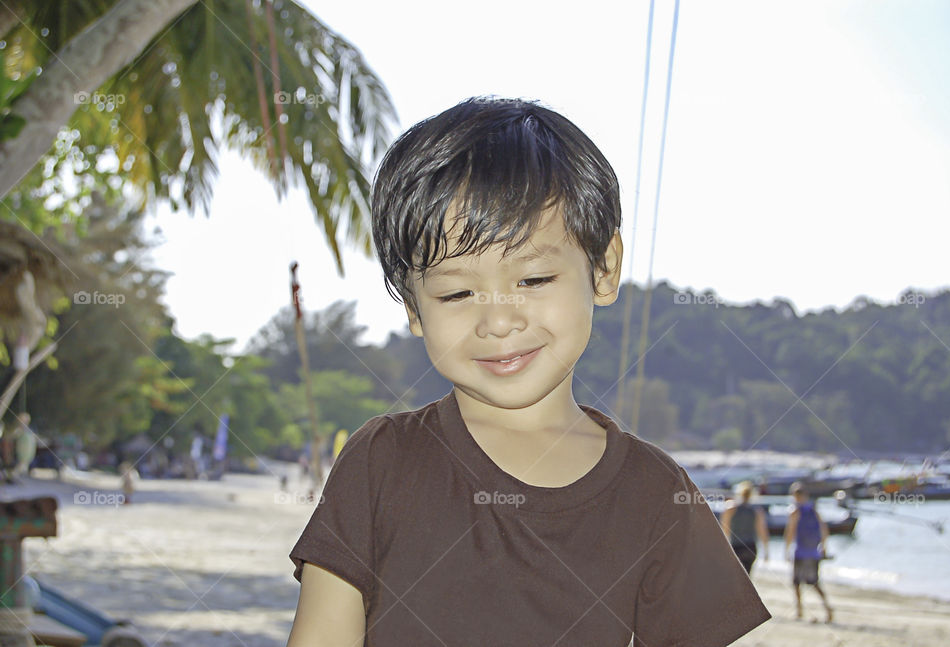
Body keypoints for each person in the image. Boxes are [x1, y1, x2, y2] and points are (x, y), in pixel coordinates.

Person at [286, 97, 771, 646]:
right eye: (457, 292)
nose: (497, 320)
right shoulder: (380, 462)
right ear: (414, 310)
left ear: (604, 269)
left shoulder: (659, 495)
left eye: (533, 280)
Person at [783, 481, 834, 623]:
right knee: (814, 583)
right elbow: (824, 529)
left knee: (797, 582)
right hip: (813, 552)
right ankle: (827, 608)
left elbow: (790, 531)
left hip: (800, 552)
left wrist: (786, 549)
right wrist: (824, 546)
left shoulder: (795, 511)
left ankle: (799, 611)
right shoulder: (813, 509)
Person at [720, 480, 769, 575]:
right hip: (751, 547)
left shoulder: (731, 508)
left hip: (736, 546)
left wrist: (724, 546)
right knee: (747, 576)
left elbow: (724, 528)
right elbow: (762, 532)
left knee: (735, 577)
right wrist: (766, 551)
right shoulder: (756, 511)